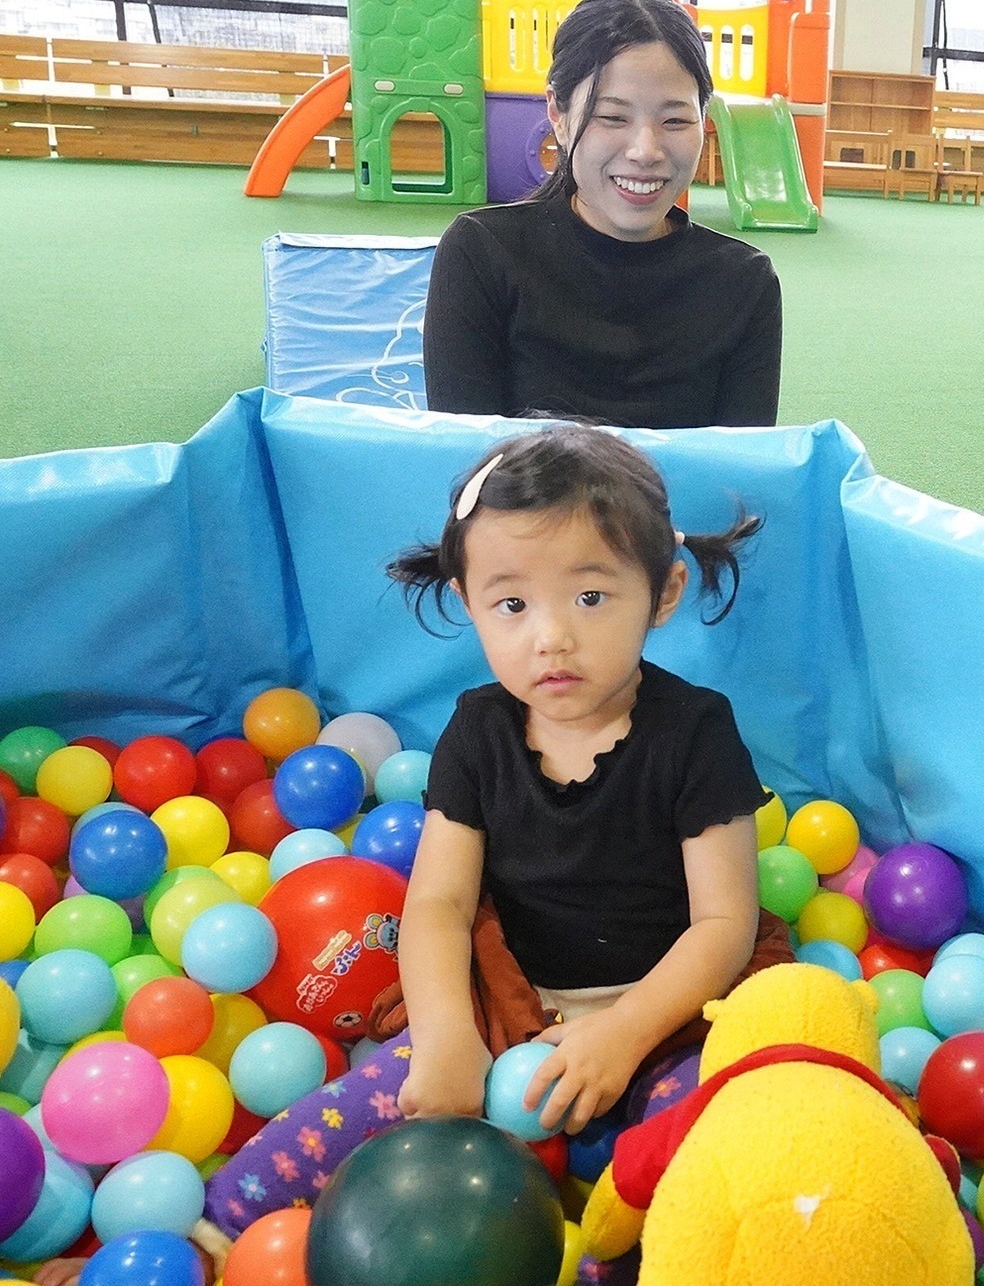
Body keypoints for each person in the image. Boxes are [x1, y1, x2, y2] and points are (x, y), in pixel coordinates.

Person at [195, 423, 789, 1283]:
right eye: (512, 604)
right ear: (471, 605)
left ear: (664, 592)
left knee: (705, 1148)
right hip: (507, 1004)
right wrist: (443, 1038)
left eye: (590, 597)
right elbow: (436, 902)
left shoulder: (695, 732)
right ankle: (209, 1240)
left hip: (669, 1018)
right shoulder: (478, 730)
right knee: (350, 1111)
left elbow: (726, 924)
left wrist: (623, 1033)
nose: (550, 637)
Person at [424, 0, 783, 427]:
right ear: (558, 112)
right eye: (612, 116)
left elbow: (743, 477)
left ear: (703, 121)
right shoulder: (482, 252)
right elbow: (466, 464)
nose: (645, 151)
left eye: (675, 120)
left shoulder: (743, 282)